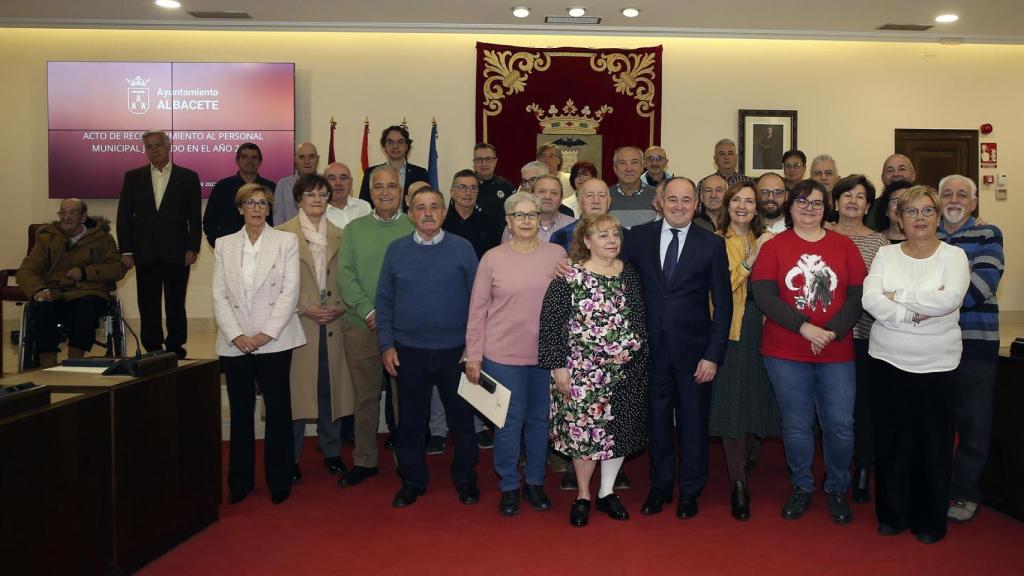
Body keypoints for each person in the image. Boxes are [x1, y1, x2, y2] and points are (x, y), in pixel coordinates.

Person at [751, 179, 867, 525]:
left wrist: (830, 332)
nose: (809, 208)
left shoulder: (844, 246)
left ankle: (836, 488)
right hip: (786, 350)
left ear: (825, 207)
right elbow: (765, 295)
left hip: (837, 350)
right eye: (802, 201)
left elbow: (858, 296)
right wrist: (804, 326)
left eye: (816, 203)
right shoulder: (774, 246)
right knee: (797, 425)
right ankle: (801, 486)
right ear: (790, 204)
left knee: (841, 426)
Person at [861, 185, 970, 544]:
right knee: (893, 442)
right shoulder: (886, 256)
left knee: (934, 445)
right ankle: (892, 515)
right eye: (912, 212)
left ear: (938, 217)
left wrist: (899, 300)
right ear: (898, 218)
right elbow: (871, 299)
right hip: (888, 360)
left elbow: (951, 299)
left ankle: (929, 521)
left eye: (927, 211)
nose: (920, 218)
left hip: (938, 364)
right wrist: (919, 310)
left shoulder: (953, 257)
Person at [623, 177, 732, 520]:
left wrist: (713, 355)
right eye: (673, 199)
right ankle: (659, 487)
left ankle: (690, 490)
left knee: (693, 424)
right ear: (659, 202)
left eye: (687, 200)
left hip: (695, 355)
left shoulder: (711, 244)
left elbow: (724, 306)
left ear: (696, 204)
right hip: (649, 351)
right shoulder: (637, 238)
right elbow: (611, 276)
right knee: (657, 423)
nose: (679, 206)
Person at [539, 213, 648, 527]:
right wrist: (559, 368)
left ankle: (607, 491)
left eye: (615, 234)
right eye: (602, 235)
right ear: (586, 241)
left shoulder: (629, 272)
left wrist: (634, 351)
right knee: (585, 435)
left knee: (618, 433)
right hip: (582, 373)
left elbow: (639, 318)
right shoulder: (568, 276)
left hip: (626, 371)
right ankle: (584, 495)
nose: (612, 240)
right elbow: (550, 327)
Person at [376, 185, 481, 508]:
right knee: (410, 422)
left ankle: (465, 479)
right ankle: (413, 480)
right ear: (410, 214)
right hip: (409, 351)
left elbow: (479, 304)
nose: (428, 213)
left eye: (434, 207)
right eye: (420, 207)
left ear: (444, 212)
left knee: (462, 421)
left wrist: (473, 348)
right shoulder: (395, 250)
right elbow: (384, 301)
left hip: (455, 352)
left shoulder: (463, 249)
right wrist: (386, 345)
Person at [465, 191, 566, 516]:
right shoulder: (492, 258)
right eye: (519, 215)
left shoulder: (557, 254)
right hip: (502, 356)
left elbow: (566, 307)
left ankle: (535, 483)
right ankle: (509, 485)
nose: (526, 221)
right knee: (508, 425)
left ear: (540, 220)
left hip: (544, 356)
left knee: (539, 422)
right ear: (508, 221)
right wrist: (474, 355)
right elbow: (477, 310)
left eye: (532, 214)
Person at [213, 183, 305, 505]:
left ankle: (279, 480)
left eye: (262, 203)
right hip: (234, 343)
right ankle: (240, 482)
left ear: (269, 209)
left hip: (275, 340)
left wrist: (265, 334)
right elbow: (219, 294)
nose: (256, 208)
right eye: (250, 203)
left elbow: (290, 291)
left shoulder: (286, 241)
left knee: (278, 411)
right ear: (240, 208)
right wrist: (237, 335)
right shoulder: (223, 244)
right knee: (240, 413)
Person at [337, 165, 414, 487]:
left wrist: (392, 319)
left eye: (391, 186)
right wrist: (370, 313)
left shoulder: (415, 225)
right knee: (365, 397)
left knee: (405, 399)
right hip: (361, 325)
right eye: (378, 186)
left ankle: (407, 461)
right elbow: (346, 274)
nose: (384, 192)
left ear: (401, 191)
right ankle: (365, 460)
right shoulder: (354, 229)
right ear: (369, 191)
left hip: (403, 331)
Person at [707, 182, 779, 522]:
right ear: (726, 203)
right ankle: (738, 482)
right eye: (737, 199)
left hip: (766, 327)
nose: (743, 206)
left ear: (757, 207)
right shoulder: (716, 241)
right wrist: (751, 260)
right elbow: (721, 287)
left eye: (749, 201)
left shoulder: (770, 239)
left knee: (757, 397)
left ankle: (748, 458)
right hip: (734, 328)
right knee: (733, 402)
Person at [937, 175, 1005, 524]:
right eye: (946, 193)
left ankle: (964, 493)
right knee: (937, 423)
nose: (954, 199)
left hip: (976, 344)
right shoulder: (926, 235)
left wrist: (933, 304)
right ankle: (936, 489)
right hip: (933, 347)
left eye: (962, 194)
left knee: (974, 423)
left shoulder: (987, 234)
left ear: (974, 203)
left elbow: (984, 283)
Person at [276, 173, 353, 481]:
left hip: (333, 321)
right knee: (296, 394)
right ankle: (291, 459)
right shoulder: (282, 235)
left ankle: (332, 452)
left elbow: (350, 277)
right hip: (297, 322)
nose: (318, 200)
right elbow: (276, 281)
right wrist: (304, 305)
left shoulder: (342, 234)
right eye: (311, 195)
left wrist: (340, 306)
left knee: (328, 389)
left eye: (322, 194)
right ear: (298, 200)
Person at [829, 175, 889, 503]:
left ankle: (863, 466)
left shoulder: (878, 243)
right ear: (835, 202)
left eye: (860, 196)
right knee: (831, 408)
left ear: (868, 205)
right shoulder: (820, 233)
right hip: (826, 334)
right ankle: (834, 465)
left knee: (862, 405)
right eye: (846, 195)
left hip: (863, 334)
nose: (853, 201)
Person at [116, 129, 201, 358]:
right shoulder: (133, 177)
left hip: (177, 251)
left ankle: (175, 346)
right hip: (145, 252)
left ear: (169, 146)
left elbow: (194, 216)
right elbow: (124, 215)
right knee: (148, 304)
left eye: (158, 145)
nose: (154, 150)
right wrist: (126, 249)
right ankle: (152, 347)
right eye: (149, 146)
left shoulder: (188, 176)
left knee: (176, 303)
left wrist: (193, 246)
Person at [17, 198, 126, 367]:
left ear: (83, 217)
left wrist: (85, 273)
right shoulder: (47, 239)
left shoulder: (102, 239)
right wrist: (38, 289)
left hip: (88, 291)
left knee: (87, 304)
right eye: (62, 212)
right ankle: (48, 364)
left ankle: (75, 359)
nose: (65, 217)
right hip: (55, 291)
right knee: (42, 305)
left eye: (72, 213)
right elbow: (26, 270)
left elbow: (117, 268)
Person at [203, 143, 277, 247]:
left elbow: (277, 221)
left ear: (260, 161)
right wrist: (218, 243)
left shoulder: (271, 188)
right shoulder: (222, 186)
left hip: (265, 246)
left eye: (254, 157)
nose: (250, 161)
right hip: (229, 247)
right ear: (237, 160)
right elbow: (209, 221)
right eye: (245, 157)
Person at [358, 125, 431, 205]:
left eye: (400, 142)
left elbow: (426, 202)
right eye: (390, 142)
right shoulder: (370, 173)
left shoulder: (420, 173)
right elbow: (364, 205)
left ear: (406, 146)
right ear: (384, 146)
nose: (395, 146)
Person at [443, 169, 500, 259]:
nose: (468, 193)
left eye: (473, 188)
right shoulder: (441, 222)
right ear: (452, 192)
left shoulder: (488, 224)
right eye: (462, 187)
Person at [501, 174, 573, 242]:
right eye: (542, 192)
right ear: (532, 196)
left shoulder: (574, 226)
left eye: (554, 193)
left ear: (561, 199)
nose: (548, 197)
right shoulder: (514, 227)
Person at [472, 143, 516, 236]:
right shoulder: (464, 187)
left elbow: (515, 217)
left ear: (495, 161)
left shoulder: (507, 187)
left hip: (500, 242)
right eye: (479, 160)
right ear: (474, 162)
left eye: (488, 159)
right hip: (470, 242)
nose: (484, 164)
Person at [609, 146, 657, 229]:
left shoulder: (656, 196)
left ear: (642, 167)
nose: (628, 168)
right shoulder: (604, 197)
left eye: (634, 162)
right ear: (615, 168)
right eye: (623, 163)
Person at [866, 154, 916, 230]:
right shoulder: (871, 208)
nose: (896, 174)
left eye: (902, 169)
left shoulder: (925, 204)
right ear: (882, 178)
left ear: (913, 175)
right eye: (890, 170)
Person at [274, 142, 320, 224]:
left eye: (311, 157)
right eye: (302, 157)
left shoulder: (325, 184)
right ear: (295, 160)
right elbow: (278, 219)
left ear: (317, 159)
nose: (307, 161)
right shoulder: (283, 185)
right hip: (289, 235)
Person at [324, 162, 372, 230]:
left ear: (350, 182)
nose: (338, 183)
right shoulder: (317, 211)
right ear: (323, 183)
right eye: (332, 178)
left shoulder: (364, 207)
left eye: (343, 178)